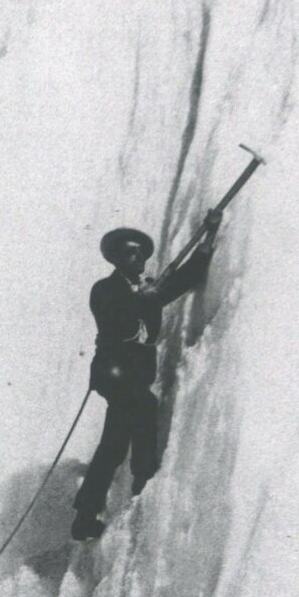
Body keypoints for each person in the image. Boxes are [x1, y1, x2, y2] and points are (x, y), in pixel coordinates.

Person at [72, 211, 221, 540]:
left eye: (140, 252)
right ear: (116, 258)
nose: (137, 257)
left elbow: (185, 279)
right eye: (129, 252)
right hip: (113, 372)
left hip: (133, 376)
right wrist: (140, 301)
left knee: (114, 443)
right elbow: (115, 321)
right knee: (144, 405)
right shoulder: (105, 289)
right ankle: (143, 479)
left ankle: (85, 516)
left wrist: (208, 237)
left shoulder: (147, 290)